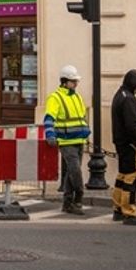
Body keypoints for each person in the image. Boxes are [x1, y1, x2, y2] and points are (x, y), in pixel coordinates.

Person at [43, 65, 90, 215]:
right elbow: (49, 118)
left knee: (71, 172)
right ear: (64, 81)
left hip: (79, 140)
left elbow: (82, 117)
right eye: (73, 81)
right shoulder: (55, 97)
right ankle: (79, 197)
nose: (76, 84)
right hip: (66, 141)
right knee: (75, 171)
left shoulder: (76, 96)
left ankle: (67, 203)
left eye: (76, 81)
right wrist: (50, 135)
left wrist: (86, 132)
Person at [112, 69, 136, 226]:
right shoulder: (129, 99)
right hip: (130, 145)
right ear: (133, 83)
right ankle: (130, 212)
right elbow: (132, 125)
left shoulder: (121, 94)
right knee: (132, 178)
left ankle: (118, 208)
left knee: (122, 176)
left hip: (122, 143)